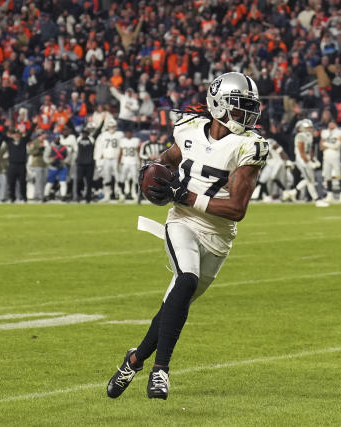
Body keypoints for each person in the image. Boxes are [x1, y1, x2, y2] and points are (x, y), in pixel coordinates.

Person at [106, 72, 268, 400]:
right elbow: (165, 160)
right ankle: (161, 371)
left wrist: (187, 195)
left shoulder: (250, 146)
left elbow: (237, 208)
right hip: (181, 222)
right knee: (187, 280)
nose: (245, 116)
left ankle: (134, 360)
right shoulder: (189, 129)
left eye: (249, 109)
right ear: (218, 105)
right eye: (239, 108)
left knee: (173, 304)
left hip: (219, 236)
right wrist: (152, 173)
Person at [281, 119, 327, 206]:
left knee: (308, 179)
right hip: (301, 160)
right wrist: (309, 162)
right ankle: (316, 200)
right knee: (310, 180)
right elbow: (301, 152)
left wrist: (314, 159)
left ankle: (292, 192)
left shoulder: (309, 135)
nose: (309, 129)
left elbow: (309, 149)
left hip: (306, 158)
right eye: (307, 127)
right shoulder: (300, 136)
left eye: (310, 127)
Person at [94, 118, 123, 200]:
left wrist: (121, 160)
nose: (111, 128)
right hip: (106, 159)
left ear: (115, 126)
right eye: (110, 126)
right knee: (106, 178)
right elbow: (98, 148)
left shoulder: (120, 135)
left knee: (118, 177)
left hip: (116, 159)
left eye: (113, 126)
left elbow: (122, 148)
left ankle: (119, 193)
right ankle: (107, 194)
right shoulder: (103, 135)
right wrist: (98, 161)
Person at [320, 121, 341, 203]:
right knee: (327, 176)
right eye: (329, 123)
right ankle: (329, 194)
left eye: (332, 123)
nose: (330, 125)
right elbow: (321, 146)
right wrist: (329, 145)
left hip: (335, 156)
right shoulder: (324, 132)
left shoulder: (339, 132)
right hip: (326, 156)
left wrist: (326, 144)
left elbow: (337, 145)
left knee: (338, 175)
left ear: (335, 124)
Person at [118, 128, 141, 201]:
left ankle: (135, 194)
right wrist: (118, 162)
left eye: (129, 133)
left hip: (133, 162)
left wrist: (140, 163)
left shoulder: (135, 140)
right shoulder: (123, 141)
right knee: (122, 178)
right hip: (125, 162)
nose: (128, 134)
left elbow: (138, 152)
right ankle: (122, 194)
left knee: (135, 179)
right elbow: (121, 152)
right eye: (127, 133)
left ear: (131, 133)